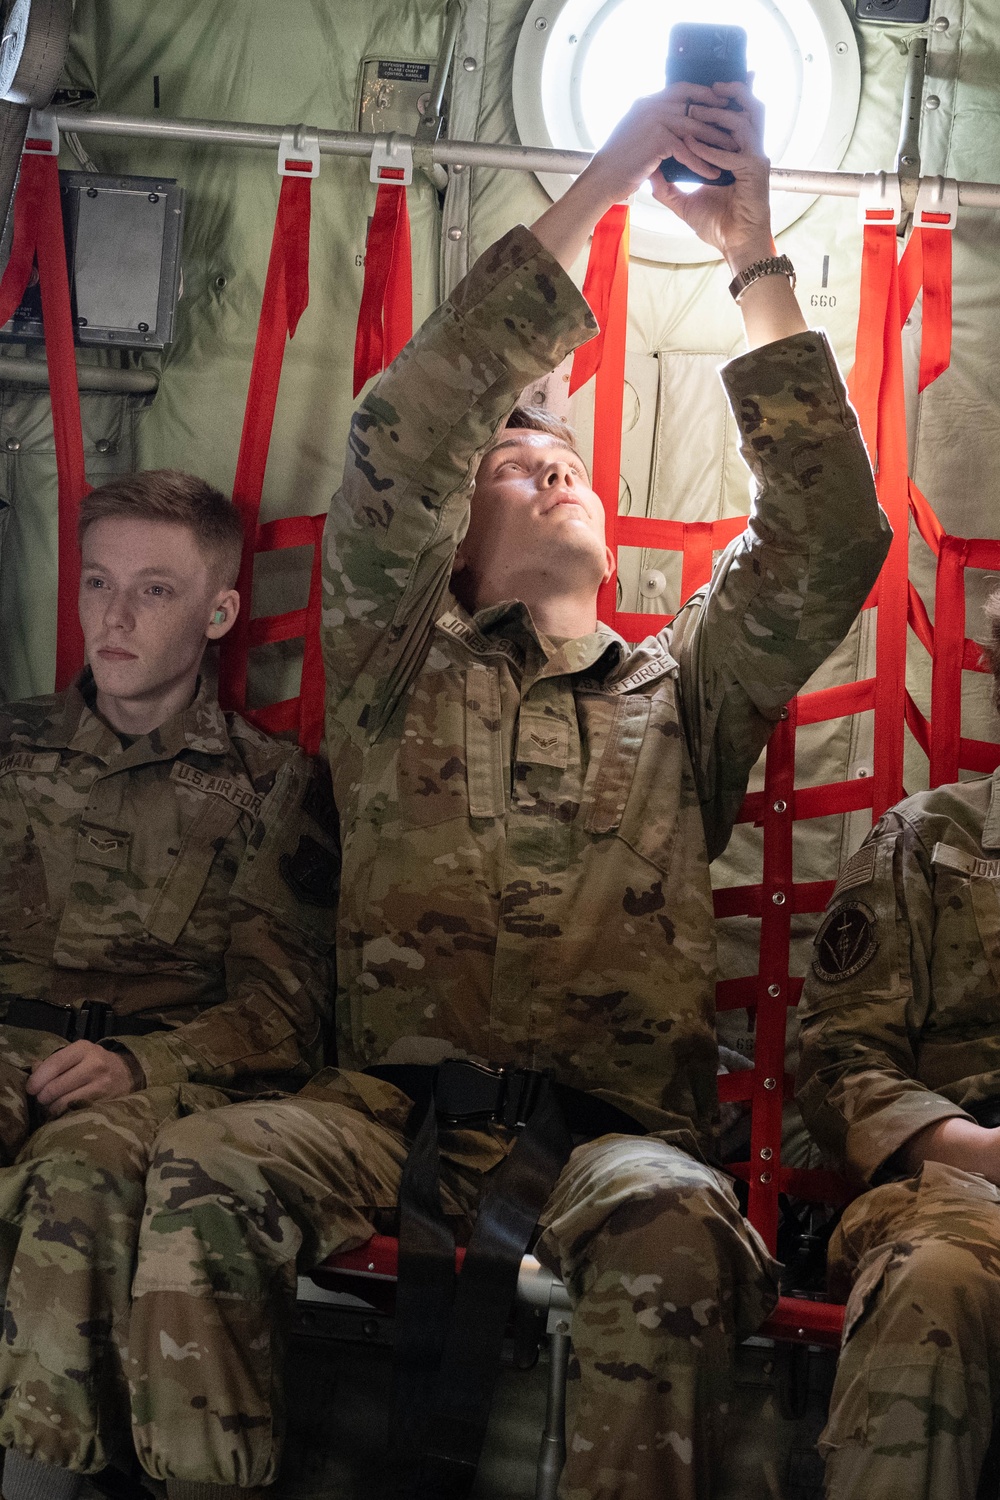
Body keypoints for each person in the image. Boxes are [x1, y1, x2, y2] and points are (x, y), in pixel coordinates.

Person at [127, 81, 888, 1500]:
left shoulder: (687, 692)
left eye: (570, 463)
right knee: (203, 1177)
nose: (558, 478)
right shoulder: (393, 660)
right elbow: (407, 435)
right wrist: (615, 170)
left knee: (677, 1235)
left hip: (614, 1135)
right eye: (519, 466)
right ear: (451, 548)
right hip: (380, 1110)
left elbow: (832, 534)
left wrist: (752, 252)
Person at [0, 471, 337, 1500]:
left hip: (143, 1074)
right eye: (98, 582)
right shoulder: (10, 750)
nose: (113, 613)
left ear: (220, 609)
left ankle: (40, 1483)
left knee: (82, 1177)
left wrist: (147, 1063)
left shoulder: (270, 786)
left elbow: (285, 1006)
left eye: (153, 590)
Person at [795, 587, 1000, 1500]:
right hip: (960, 1190)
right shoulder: (933, 840)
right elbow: (839, 1060)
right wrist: (984, 1151)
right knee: (936, 1282)